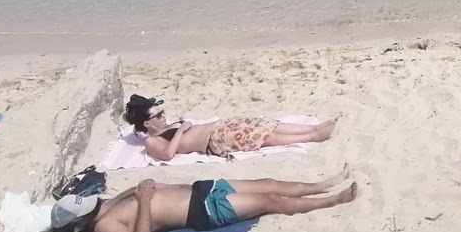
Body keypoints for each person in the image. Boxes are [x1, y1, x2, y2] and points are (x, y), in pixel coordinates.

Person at [50, 173, 357, 232]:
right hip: (203, 210)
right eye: (83, 208)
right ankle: (333, 200)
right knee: (272, 200)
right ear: (79, 226)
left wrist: (146, 187)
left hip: (201, 189)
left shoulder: (104, 204)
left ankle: (321, 184)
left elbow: (150, 189)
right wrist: (143, 200)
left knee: (268, 183)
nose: (89, 202)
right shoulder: (104, 230)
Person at [124, 95, 337, 159]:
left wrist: (181, 125)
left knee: (265, 124)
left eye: (162, 113)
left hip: (221, 127)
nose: (163, 116)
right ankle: (312, 136)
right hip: (215, 141)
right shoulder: (152, 141)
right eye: (158, 116)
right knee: (264, 138)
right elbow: (168, 154)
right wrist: (181, 129)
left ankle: (312, 130)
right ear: (147, 124)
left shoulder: (163, 129)